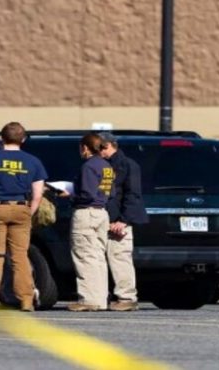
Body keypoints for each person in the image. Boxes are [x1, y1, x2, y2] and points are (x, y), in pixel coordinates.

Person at [0, 122, 47, 312]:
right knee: (20, 256)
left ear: (1, 138)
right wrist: (28, 212)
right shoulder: (33, 161)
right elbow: (38, 193)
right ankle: (26, 300)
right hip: (21, 208)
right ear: (23, 139)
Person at [99, 133, 149, 311]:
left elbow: (132, 195)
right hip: (103, 219)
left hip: (119, 221)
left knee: (120, 258)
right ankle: (102, 297)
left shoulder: (127, 165)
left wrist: (123, 220)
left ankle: (126, 297)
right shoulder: (101, 165)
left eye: (101, 147)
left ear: (109, 146)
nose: (100, 151)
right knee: (100, 260)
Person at [68, 133, 115, 312]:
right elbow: (111, 192)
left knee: (84, 256)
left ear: (85, 148)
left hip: (86, 213)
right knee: (98, 257)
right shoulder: (106, 166)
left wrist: (71, 195)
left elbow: (87, 194)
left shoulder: (88, 166)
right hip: (102, 212)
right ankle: (100, 299)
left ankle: (88, 299)